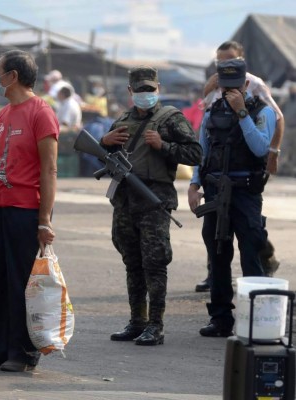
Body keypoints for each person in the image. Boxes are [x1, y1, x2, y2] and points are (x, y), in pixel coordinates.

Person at [0, 50, 59, 372]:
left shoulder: (41, 112)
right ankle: (0, 347)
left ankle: (23, 352)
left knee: (22, 282)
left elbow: (49, 170)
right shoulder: (4, 114)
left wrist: (44, 220)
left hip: (25, 209)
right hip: (0, 207)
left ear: (13, 76)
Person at [101, 66, 202, 346]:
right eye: (140, 90)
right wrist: (104, 142)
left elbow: (195, 154)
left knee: (154, 263)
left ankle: (155, 325)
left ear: (157, 89)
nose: (145, 94)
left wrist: (164, 146)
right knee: (132, 262)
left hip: (154, 200)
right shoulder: (121, 120)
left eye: (150, 89)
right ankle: (137, 321)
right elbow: (103, 159)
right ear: (130, 91)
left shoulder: (171, 119)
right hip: (124, 200)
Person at [188, 59, 275, 337]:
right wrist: (194, 184)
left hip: (245, 192)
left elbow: (261, 148)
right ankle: (221, 318)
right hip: (215, 192)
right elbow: (201, 151)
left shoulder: (262, 112)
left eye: (235, 87)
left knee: (252, 255)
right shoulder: (212, 111)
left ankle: (257, 321)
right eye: (225, 87)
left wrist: (241, 114)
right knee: (217, 256)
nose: (229, 92)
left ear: (246, 84)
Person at [194, 40, 283, 292]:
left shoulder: (254, 85)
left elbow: (277, 118)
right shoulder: (214, 83)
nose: (224, 66)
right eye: (220, 62)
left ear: (242, 60)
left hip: (245, 178)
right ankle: (216, 286)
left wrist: (273, 154)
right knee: (216, 239)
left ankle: (259, 288)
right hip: (217, 180)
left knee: (250, 240)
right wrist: (195, 182)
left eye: (230, 60)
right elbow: (206, 138)